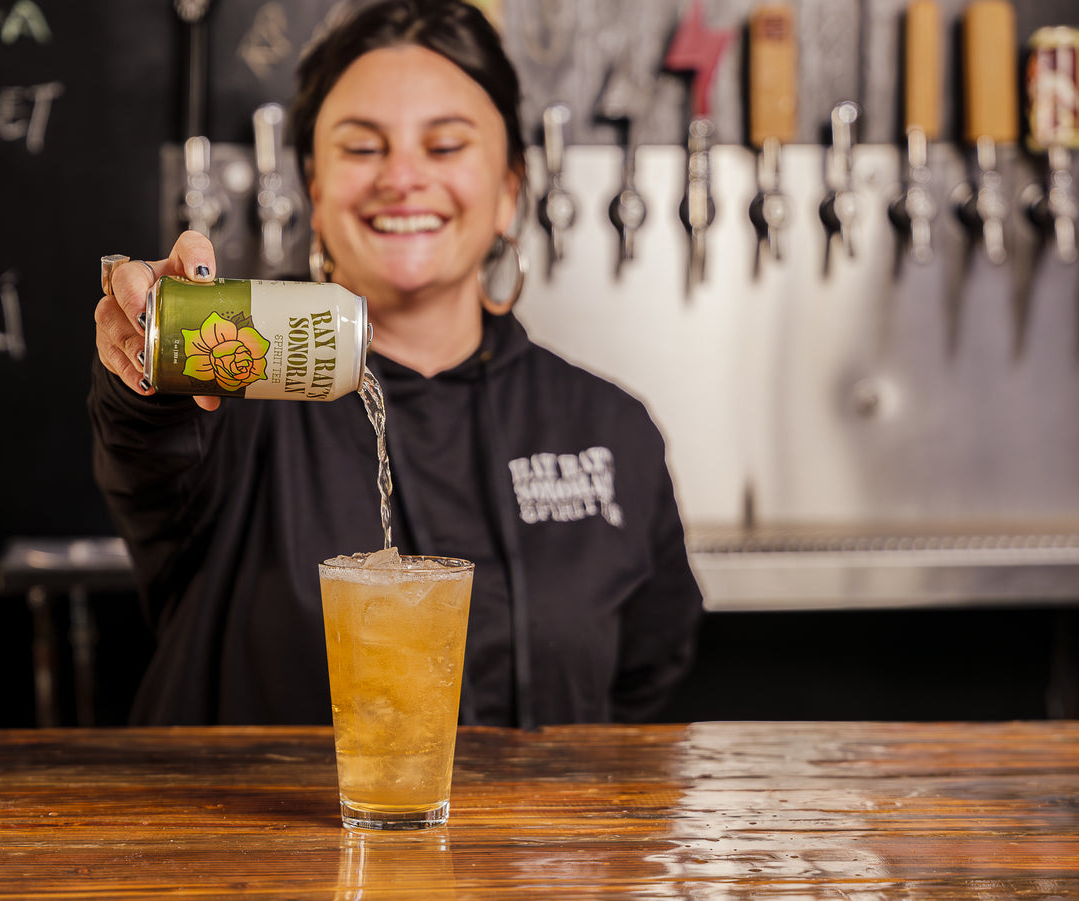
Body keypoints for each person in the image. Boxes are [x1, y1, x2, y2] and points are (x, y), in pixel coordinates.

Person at [90, 0, 702, 728]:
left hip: (535, 844)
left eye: (445, 147)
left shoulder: (610, 427)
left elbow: (648, 683)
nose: (403, 177)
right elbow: (147, 439)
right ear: (315, 193)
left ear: (509, 190)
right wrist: (148, 352)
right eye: (361, 148)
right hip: (255, 842)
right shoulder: (234, 392)